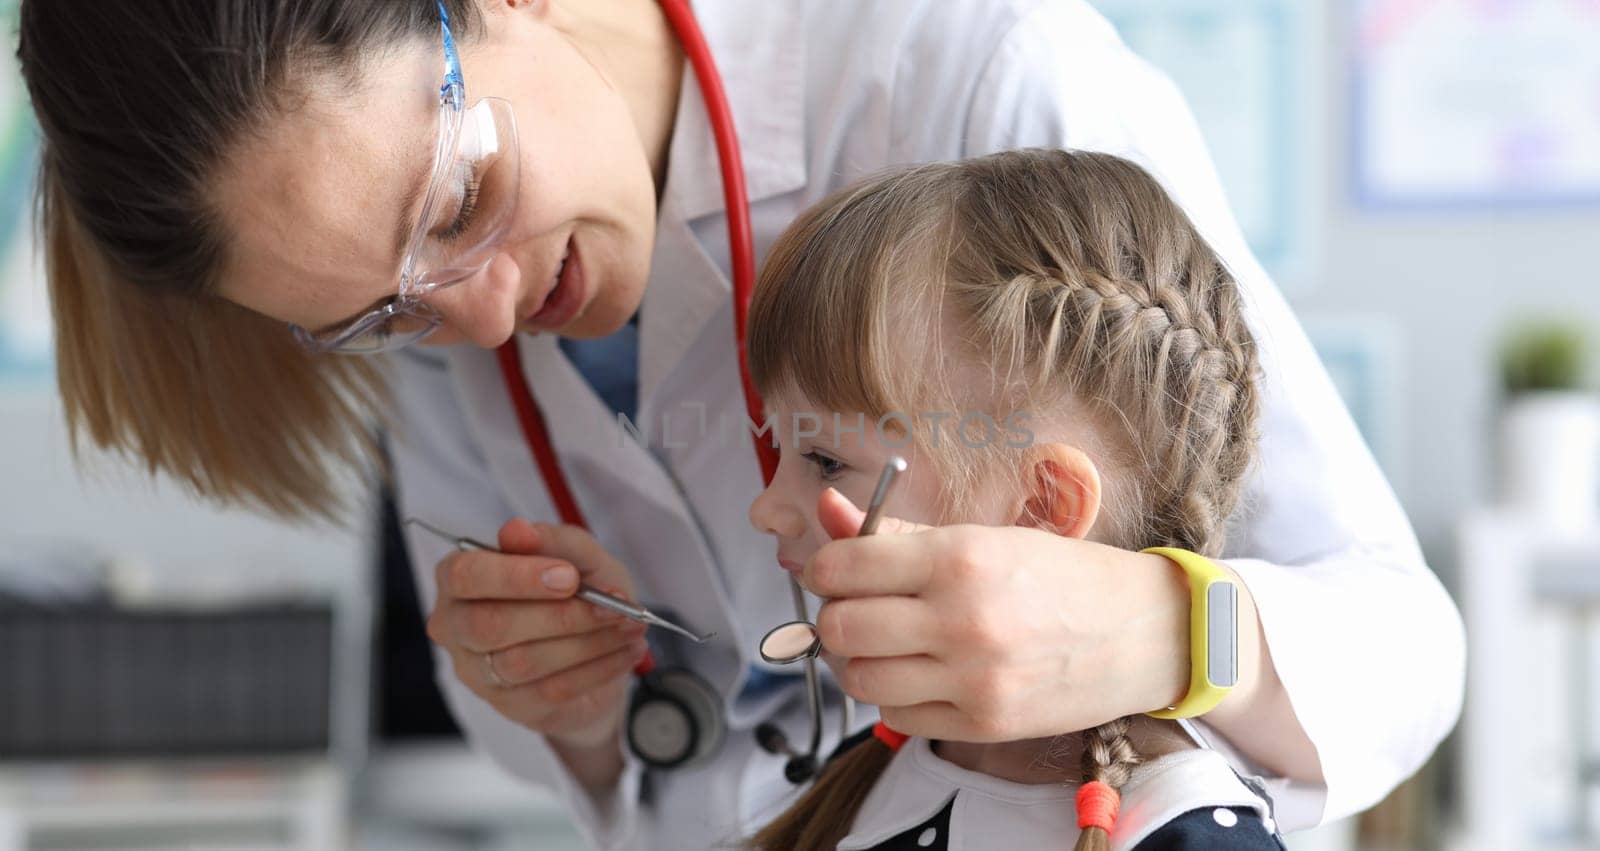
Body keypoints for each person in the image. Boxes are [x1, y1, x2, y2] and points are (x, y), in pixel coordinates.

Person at [16, 0, 1464, 848]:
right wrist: (567, 707)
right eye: (378, 315)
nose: (478, 309)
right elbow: (642, 771)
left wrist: (1157, 628)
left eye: (458, 204)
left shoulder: (966, 70)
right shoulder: (447, 320)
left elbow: (1407, 644)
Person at [744, 148, 1283, 851]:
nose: (766, 509)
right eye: (779, 444)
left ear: (1040, 508)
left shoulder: (1181, 834)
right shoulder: (875, 777)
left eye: (824, 460)